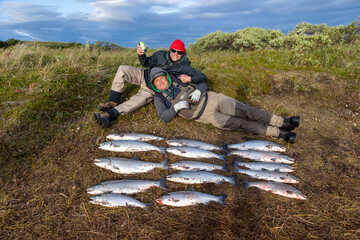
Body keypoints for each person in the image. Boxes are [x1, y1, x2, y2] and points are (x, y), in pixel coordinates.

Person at [149, 67, 300, 143]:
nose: (160, 81)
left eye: (161, 78)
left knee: (247, 111)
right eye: (157, 81)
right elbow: (163, 117)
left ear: (166, 76)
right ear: (154, 85)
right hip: (207, 116)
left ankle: (283, 122)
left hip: (213, 99)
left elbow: (202, 82)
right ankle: (280, 134)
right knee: (242, 124)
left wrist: (198, 91)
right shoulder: (159, 98)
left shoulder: (180, 78)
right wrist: (175, 108)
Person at [94, 39, 207, 127]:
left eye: (179, 52)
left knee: (135, 102)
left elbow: (202, 77)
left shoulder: (184, 66)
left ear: (183, 53)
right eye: (173, 50)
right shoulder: (160, 55)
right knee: (123, 69)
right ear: (170, 49)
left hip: (153, 88)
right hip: (144, 75)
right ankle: (113, 101)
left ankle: (110, 115)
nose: (175, 54)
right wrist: (141, 55)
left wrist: (189, 79)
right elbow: (146, 63)